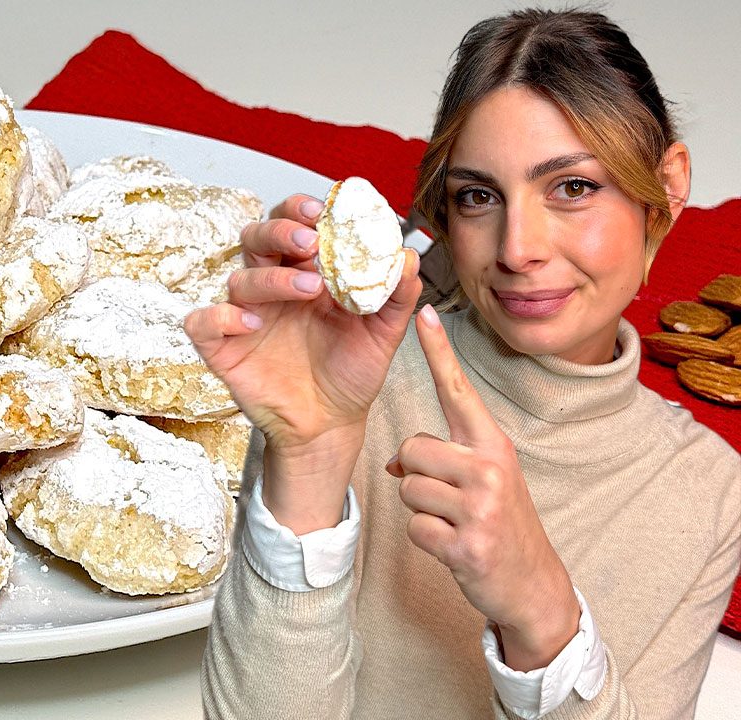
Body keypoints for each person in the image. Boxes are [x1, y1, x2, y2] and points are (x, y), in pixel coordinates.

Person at [188, 7, 741, 719]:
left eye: (573, 187)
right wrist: (311, 460)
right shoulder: (351, 389)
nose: (517, 249)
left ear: (666, 186)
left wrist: (542, 611)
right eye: (479, 197)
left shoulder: (707, 493)